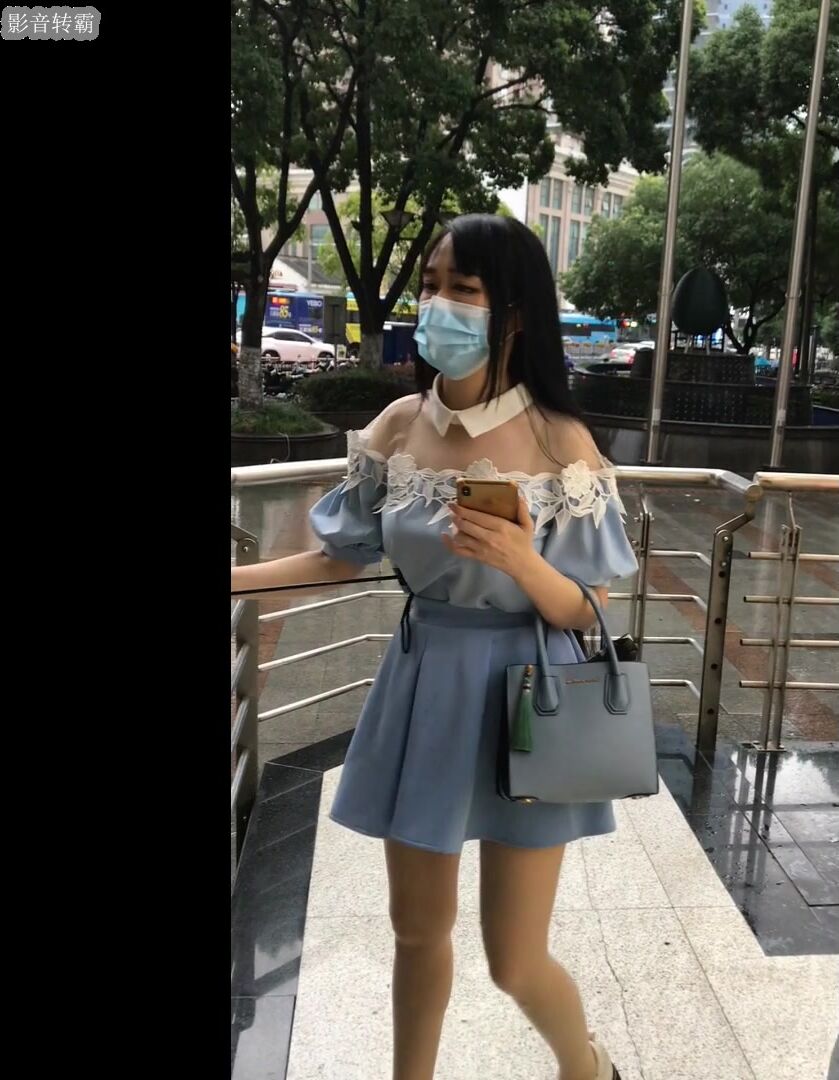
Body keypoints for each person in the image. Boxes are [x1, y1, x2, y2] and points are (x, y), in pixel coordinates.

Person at [232, 214, 637, 1080]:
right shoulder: (395, 426)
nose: (437, 304)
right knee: (415, 931)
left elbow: (587, 611)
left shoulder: (560, 441)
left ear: (512, 313)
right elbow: (340, 558)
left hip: (531, 694)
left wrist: (521, 560)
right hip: (423, 684)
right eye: (429, 284)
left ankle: (587, 1068)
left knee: (513, 960)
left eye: (463, 288)